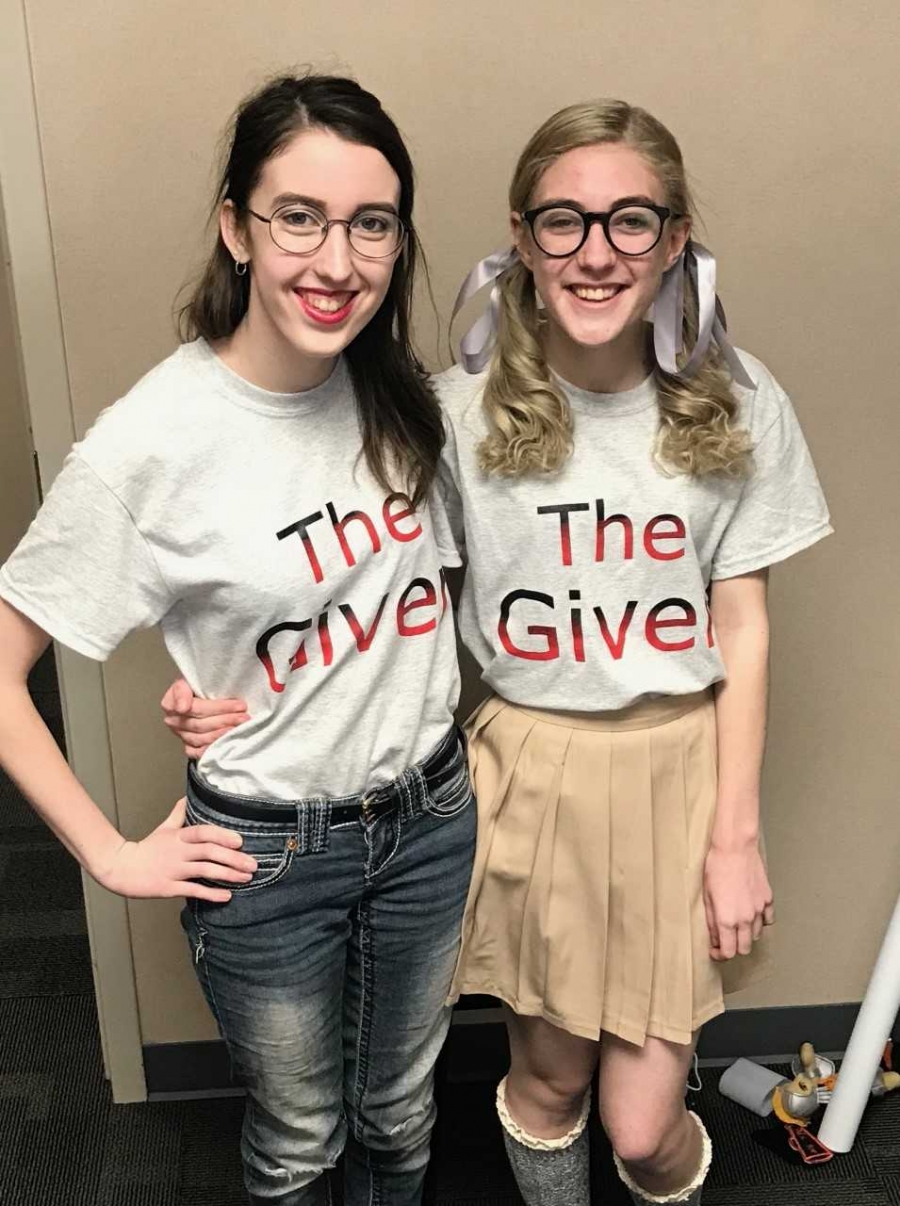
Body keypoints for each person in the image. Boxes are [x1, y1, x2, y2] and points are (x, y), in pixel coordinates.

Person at [166, 99, 832, 1205]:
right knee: (550, 1079)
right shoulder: (456, 416)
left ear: (674, 240)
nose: (596, 251)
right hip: (529, 772)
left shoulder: (740, 402)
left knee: (644, 1126)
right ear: (522, 240)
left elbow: (743, 624)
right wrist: (235, 687)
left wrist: (737, 838)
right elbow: (373, 596)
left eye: (631, 221)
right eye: (562, 221)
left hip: (681, 772)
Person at [0, 73, 475, 1206]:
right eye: (297, 216)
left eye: (372, 223)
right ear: (235, 228)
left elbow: (412, 601)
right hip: (269, 857)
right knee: (303, 1138)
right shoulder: (149, 446)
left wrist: (247, 669)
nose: (337, 260)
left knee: (404, 1119)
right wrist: (112, 856)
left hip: (429, 823)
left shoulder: (400, 393)